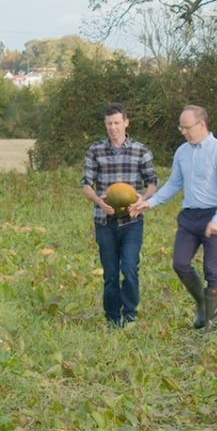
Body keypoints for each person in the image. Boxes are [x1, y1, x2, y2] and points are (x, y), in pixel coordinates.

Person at [132, 104, 217, 332]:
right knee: (179, 263)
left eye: (187, 127)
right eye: (181, 127)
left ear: (202, 125)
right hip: (189, 217)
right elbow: (174, 183)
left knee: (212, 270)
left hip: (213, 215)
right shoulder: (182, 152)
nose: (183, 132)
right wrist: (150, 202)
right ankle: (202, 304)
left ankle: (211, 325)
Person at [82, 102, 158, 327]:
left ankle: (130, 314)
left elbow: (152, 182)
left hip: (132, 221)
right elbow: (86, 184)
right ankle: (113, 318)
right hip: (104, 221)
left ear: (126, 123)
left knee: (130, 269)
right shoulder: (95, 151)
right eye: (109, 124)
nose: (113, 128)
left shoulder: (141, 151)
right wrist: (99, 201)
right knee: (111, 274)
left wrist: (142, 200)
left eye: (117, 123)